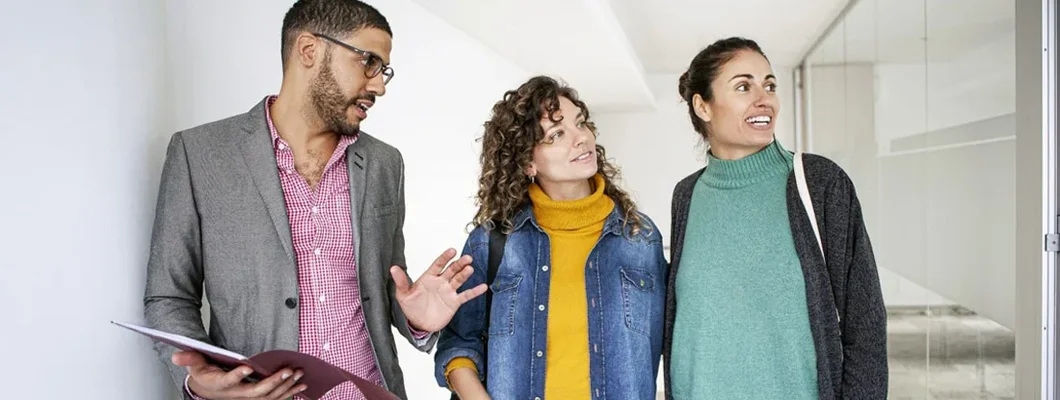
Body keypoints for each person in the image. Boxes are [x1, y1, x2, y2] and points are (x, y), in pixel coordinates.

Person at [142, 1, 487, 399]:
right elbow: (168, 295)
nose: (379, 85)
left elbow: (386, 285)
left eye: (384, 70)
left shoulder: (384, 163)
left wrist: (415, 320)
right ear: (309, 50)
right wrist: (196, 376)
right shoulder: (200, 154)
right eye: (368, 62)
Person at [663, 37, 888, 400]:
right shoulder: (686, 196)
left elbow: (866, 323)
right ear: (703, 106)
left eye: (769, 84)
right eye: (743, 86)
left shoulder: (818, 182)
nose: (764, 98)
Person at [433, 76, 668, 400]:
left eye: (581, 124)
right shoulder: (493, 242)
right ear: (528, 162)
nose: (581, 138)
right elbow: (459, 341)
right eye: (557, 134)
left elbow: (673, 342)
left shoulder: (640, 239)